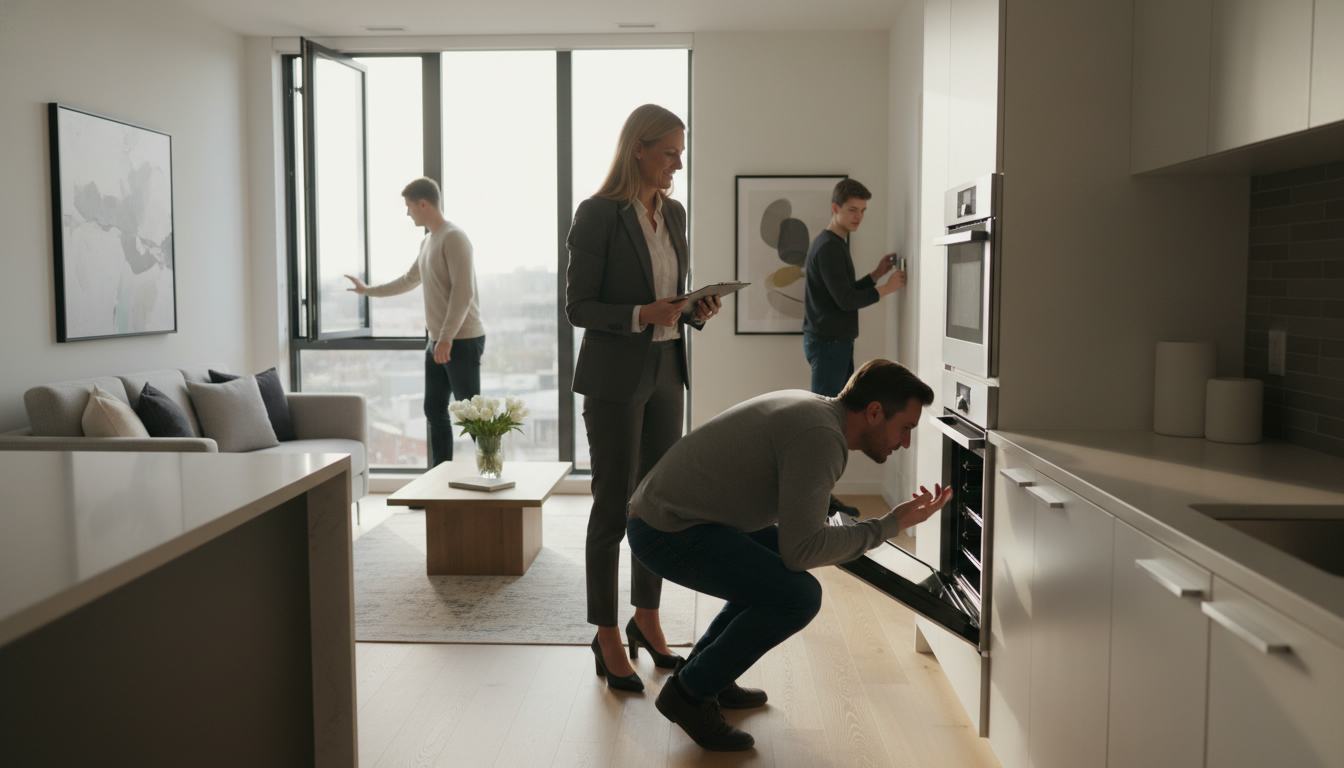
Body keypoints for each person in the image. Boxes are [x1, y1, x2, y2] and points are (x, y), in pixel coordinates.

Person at [626, 359, 953, 751]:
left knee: (775, 578)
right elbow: (801, 551)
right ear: (874, 411)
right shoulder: (821, 437)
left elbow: (800, 510)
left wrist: (855, 522)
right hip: (665, 530)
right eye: (906, 428)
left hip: (685, 517)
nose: (905, 443)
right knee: (798, 595)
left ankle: (709, 672)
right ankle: (689, 694)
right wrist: (887, 525)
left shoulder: (817, 410)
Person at [565, 104, 722, 693]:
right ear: (639, 148)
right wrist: (639, 314)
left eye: (680, 153)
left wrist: (694, 309)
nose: (678, 164)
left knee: (657, 507)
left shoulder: (674, 213)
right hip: (614, 378)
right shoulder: (597, 214)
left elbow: (669, 297)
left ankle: (647, 619)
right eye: (670, 153)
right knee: (612, 508)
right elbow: (578, 307)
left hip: (666, 370)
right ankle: (606, 635)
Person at [346, 177, 485, 467]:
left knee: (473, 414)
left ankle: (493, 474)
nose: (408, 213)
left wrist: (446, 337)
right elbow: (408, 280)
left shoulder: (454, 237)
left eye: (409, 206)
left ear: (423, 203)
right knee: (434, 409)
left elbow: (464, 292)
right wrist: (367, 290)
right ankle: (439, 481)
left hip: (460, 339)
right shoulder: (428, 241)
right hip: (438, 341)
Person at [802, 178, 906, 518]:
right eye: (852, 210)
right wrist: (887, 289)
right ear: (835, 208)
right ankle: (812, 502)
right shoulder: (830, 246)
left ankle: (821, 499)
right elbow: (845, 300)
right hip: (829, 344)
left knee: (835, 422)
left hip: (834, 343)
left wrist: (875, 274)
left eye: (862, 211)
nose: (858, 217)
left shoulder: (835, 243)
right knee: (824, 425)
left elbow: (842, 291)